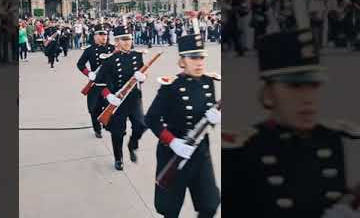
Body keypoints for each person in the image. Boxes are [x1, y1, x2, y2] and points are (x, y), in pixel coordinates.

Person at [222, 29, 360, 217]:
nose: (308, 99)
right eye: (294, 86)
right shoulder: (243, 151)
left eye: (314, 86)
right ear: (268, 94)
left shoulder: (330, 139)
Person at [145, 27, 221, 218]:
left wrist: (214, 119)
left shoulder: (208, 82)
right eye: (193, 58)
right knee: (170, 210)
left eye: (201, 57)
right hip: (173, 151)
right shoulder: (171, 86)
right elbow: (151, 118)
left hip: (200, 150)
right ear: (182, 61)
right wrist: (173, 142)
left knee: (210, 204)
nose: (199, 62)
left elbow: (205, 119)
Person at [94, 24, 147, 170]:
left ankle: (132, 144)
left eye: (128, 39)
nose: (127, 42)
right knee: (118, 132)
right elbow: (99, 82)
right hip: (117, 100)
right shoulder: (110, 60)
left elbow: (142, 75)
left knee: (140, 126)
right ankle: (118, 158)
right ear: (116, 42)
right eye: (123, 39)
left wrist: (142, 77)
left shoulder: (137, 56)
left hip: (134, 98)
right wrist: (108, 96)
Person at [76, 23, 115, 138]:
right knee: (93, 109)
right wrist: (89, 73)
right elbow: (80, 64)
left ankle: (106, 124)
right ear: (95, 36)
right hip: (95, 85)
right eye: (101, 34)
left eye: (106, 34)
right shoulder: (90, 50)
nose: (104, 37)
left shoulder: (112, 49)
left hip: (109, 85)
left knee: (110, 108)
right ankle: (97, 129)